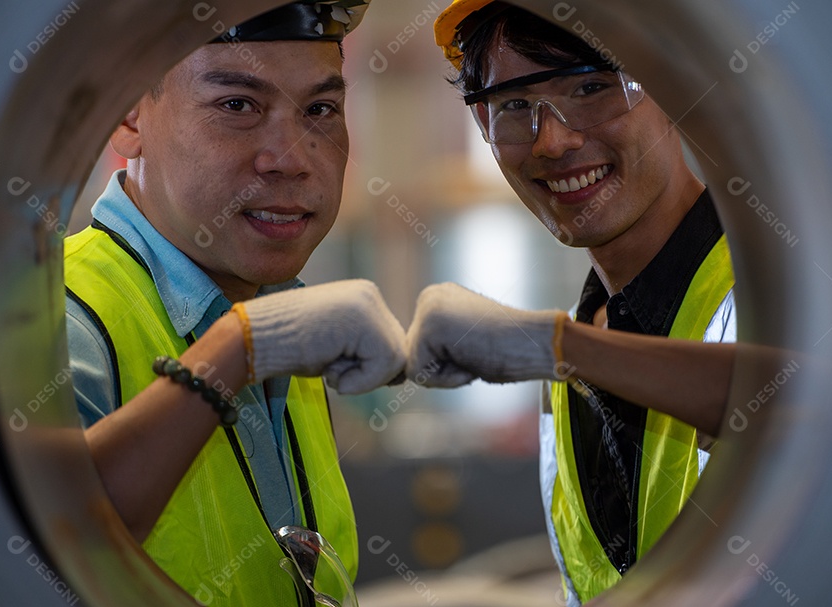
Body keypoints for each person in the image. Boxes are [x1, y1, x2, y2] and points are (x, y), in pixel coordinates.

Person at [64, 2, 405, 605]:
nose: (293, 158)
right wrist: (239, 349)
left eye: (320, 110)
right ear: (127, 113)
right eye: (238, 106)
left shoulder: (281, 323)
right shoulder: (59, 324)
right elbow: (45, 551)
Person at [406, 2, 737, 604]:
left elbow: (829, 411)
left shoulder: (776, 296)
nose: (553, 140)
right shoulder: (571, 360)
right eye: (513, 105)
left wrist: (556, 347)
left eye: (590, 86)